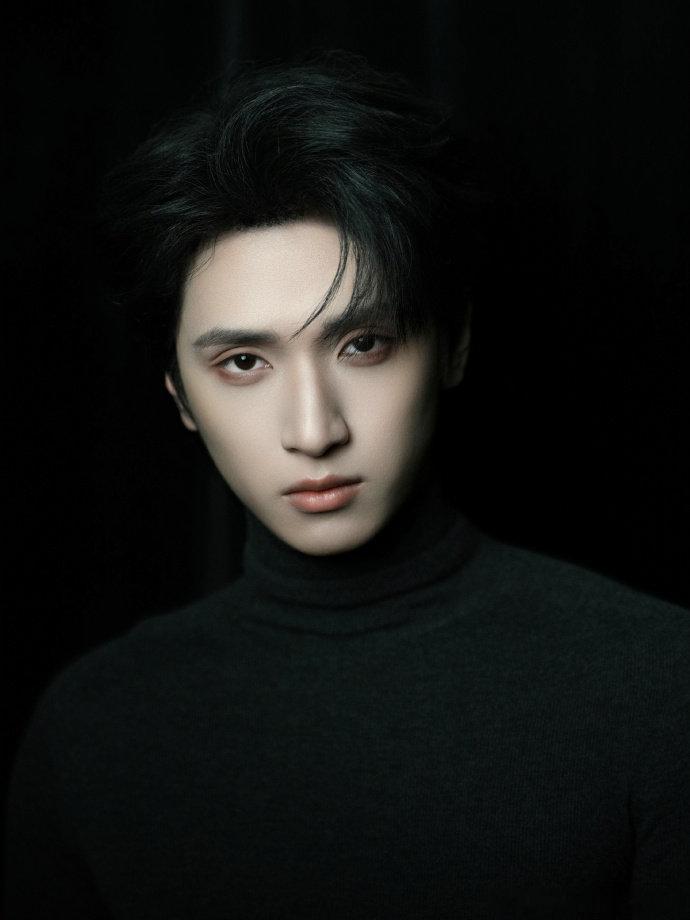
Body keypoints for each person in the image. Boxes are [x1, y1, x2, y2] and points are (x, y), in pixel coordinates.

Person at [4, 49, 689, 920]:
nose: (314, 429)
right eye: (243, 362)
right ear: (178, 395)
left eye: (363, 344)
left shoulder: (657, 685)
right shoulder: (94, 727)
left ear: (453, 345)